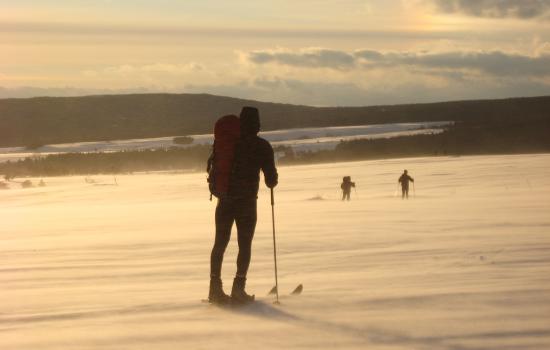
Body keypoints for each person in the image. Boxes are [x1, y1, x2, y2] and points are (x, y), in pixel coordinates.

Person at [209, 106, 278, 304]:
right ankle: (239, 288)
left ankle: (214, 289)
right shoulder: (262, 146)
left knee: (219, 244)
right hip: (247, 203)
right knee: (244, 245)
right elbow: (270, 181)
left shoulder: (229, 143)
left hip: (224, 201)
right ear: (257, 124)